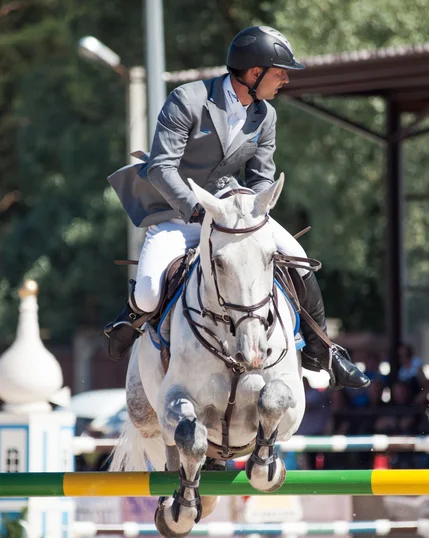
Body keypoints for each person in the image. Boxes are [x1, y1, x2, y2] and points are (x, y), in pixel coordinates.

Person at [105, 25, 369, 390]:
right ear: (254, 72)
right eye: (280, 72)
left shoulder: (266, 116)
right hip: (182, 211)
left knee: (297, 255)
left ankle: (322, 350)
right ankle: (132, 316)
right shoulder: (188, 99)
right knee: (150, 290)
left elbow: (262, 175)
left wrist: (255, 211)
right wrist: (195, 209)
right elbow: (161, 167)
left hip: (235, 215)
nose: (286, 81)